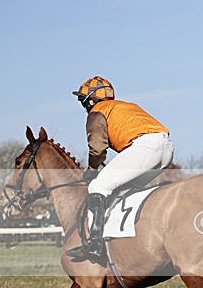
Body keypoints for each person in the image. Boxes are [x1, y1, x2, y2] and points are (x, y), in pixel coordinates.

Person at [66, 76, 174, 260]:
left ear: (89, 100)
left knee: (98, 187)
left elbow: (97, 148)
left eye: (81, 100)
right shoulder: (124, 106)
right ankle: (128, 241)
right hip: (166, 149)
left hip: (145, 147)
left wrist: (92, 170)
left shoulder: (97, 112)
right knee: (126, 190)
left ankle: (94, 244)